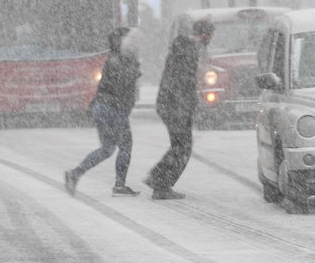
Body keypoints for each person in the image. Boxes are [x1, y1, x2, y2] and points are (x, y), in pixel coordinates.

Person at [65, 27, 143, 197]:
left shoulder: (114, 58)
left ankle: (75, 174)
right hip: (113, 109)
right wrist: (135, 69)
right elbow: (121, 86)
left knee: (107, 149)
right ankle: (119, 187)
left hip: (102, 107)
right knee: (125, 146)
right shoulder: (121, 61)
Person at [144, 20, 214, 200]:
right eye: (210, 36)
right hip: (176, 106)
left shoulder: (182, 47)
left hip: (169, 104)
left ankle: (158, 179)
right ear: (205, 35)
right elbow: (182, 83)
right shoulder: (189, 51)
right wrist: (184, 107)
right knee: (183, 148)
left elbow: (176, 80)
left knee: (179, 147)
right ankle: (160, 183)